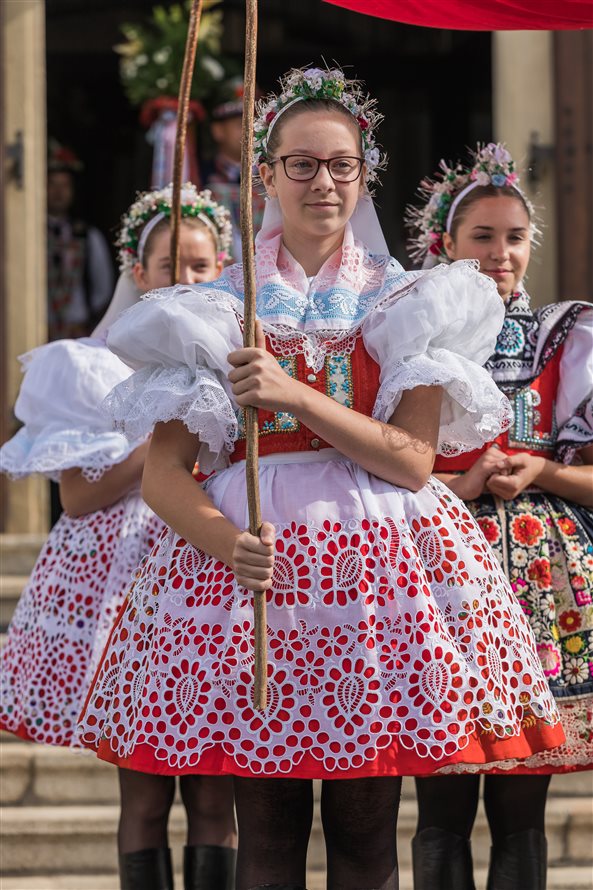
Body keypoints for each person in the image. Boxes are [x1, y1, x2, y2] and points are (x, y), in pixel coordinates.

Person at [79, 68, 565, 890]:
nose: (322, 183)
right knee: (263, 836)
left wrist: (292, 391)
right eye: (299, 165)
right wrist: (225, 540)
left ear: (364, 175)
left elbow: (411, 462)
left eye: (340, 165)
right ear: (263, 175)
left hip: (373, 579)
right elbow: (164, 474)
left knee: (366, 831)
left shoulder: (409, 299)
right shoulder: (212, 309)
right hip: (245, 582)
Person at [1, 184, 237, 890]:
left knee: (213, 790)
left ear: (223, 267)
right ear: (138, 270)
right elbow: (77, 497)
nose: (184, 279)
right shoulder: (87, 365)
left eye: (200, 265)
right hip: (126, 587)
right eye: (169, 266)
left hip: (205, 577)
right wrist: (169, 438)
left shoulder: (236, 359)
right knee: (142, 791)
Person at [406, 143, 593, 890]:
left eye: (512, 237)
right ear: (445, 246)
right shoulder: (409, 340)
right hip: (438, 584)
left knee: (521, 813)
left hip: (541, 598)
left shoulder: (566, 336)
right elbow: (375, 469)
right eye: (481, 237)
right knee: (441, 810)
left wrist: (542, 469)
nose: (499, 253)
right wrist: (460, 483)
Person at [46, 140, 115, 342]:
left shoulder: (87, 235)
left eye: (65, 185)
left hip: (77, 330)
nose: (59, 192)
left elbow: (103, 286)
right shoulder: (31, 237)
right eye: (52, 184)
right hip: (38, 328)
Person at [203, 75, 266, 261]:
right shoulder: (199, 175)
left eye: (255, 123)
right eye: (241, 124)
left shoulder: (275, 175)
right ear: (218, 131)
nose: (251, 130)